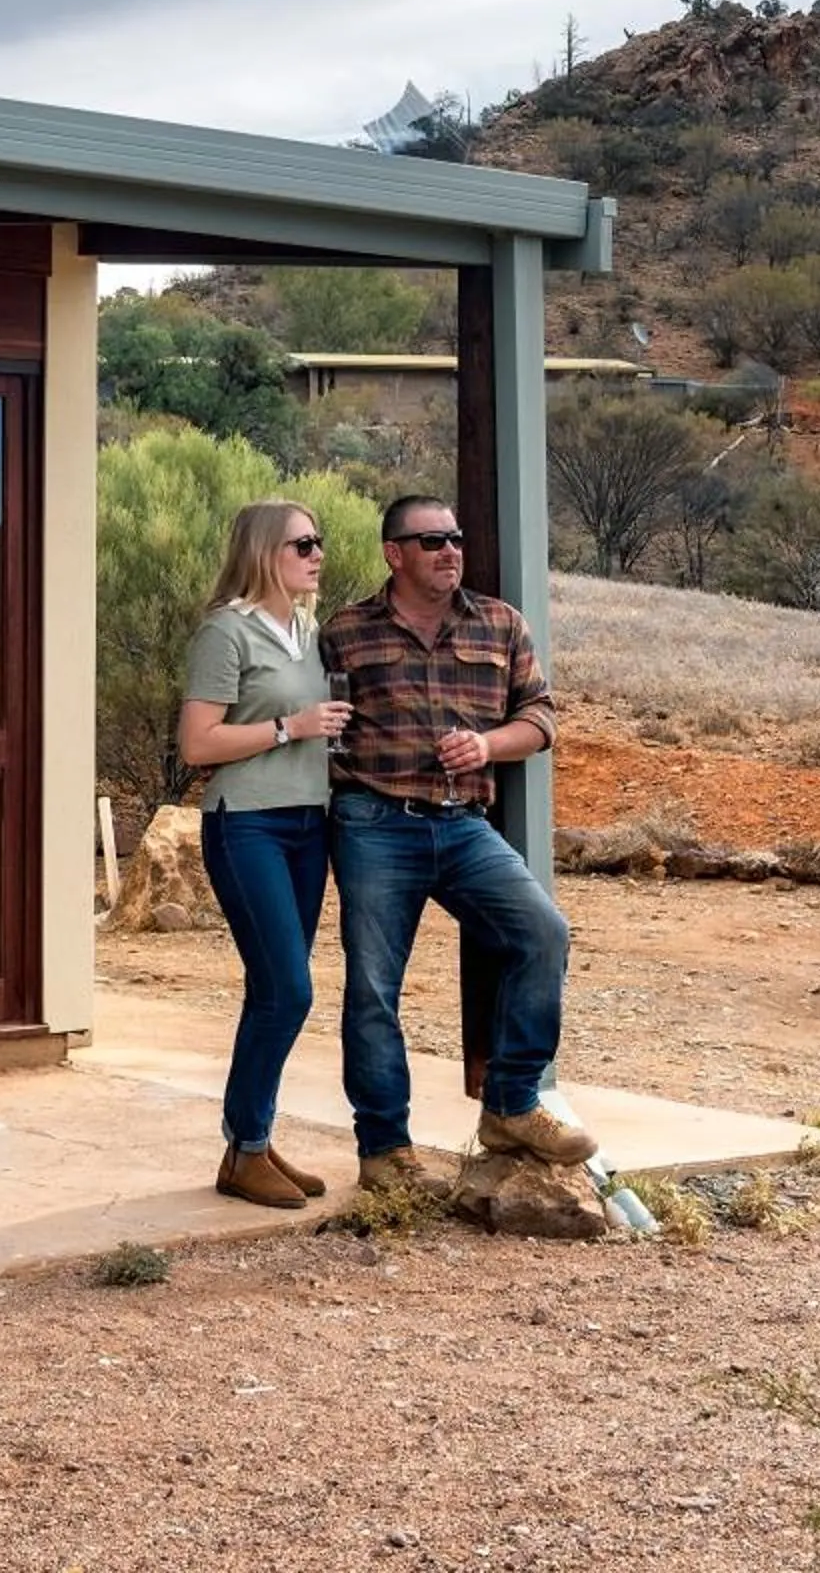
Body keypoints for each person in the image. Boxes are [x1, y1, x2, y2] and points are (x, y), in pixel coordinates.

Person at [320, 494, 593, 1188]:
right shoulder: (347, 631)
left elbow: (541, 717)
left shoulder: (500, 624)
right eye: (433, 540)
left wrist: (486, 745)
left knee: (543, 934)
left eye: (457, 537)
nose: (451, 551)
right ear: (395, 553)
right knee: (374, 988)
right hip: (374, 824)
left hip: (464, 826)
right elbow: (320, 725)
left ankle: (511, 1103)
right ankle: (385, 1149)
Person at [176, 500, 353, 1209]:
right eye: (303, 544)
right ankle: (246, 1147)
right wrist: (292, 725)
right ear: (262, 553)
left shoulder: (308, 628)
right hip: (246, 824)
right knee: (290, 988)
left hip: (310, 827)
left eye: (320, 542)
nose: (318, 554)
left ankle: (251, 1144)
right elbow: (196, 745)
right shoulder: (225, 633)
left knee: (272, 990)